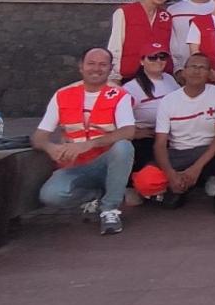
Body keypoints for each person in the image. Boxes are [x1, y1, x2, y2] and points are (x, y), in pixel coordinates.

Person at [34, 47, 137, 235]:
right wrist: (50, 147)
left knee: (124, 147)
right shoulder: (62, 94)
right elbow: (39, 136)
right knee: (50, 195)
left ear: (110, 68)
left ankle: (109, 210)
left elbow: (129, 131)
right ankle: (95, 196)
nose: (96, 69)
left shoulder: (119, 95)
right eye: (91, 63)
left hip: (106, 163)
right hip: (74, 166)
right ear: (81, 67)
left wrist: (89, 144)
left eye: (102, 65)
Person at [131, 52, 215, 213]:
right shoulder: (169, 101)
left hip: (209, 151)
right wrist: (170, 174)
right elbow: (159, 144)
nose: (197, 71)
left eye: (202, 68)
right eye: (193, 66)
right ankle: (179, 187)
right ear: (184, 72)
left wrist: (196, 168)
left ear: (209, 73)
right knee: (144, 181)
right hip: (179, 153)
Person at [107, 0, 179, 82]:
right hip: (130, 75)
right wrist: (114, 76)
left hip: (160, 76)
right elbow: (115, 46)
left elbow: (173, 48)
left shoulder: (166, 17)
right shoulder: (124, 12)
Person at [120, 41, 177, 175]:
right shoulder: (130, 89)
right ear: (142, 61)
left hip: (172, 132)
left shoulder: (169, 79)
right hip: (148, 138)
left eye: (162, 57)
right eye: (152, 57)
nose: (158, 60)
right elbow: (116, 118)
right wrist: (135, 133)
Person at [166, 0, 215, 74]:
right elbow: (170, 42)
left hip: (213, 71)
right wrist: (177, 69)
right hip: (181, 71)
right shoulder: (173, 10)